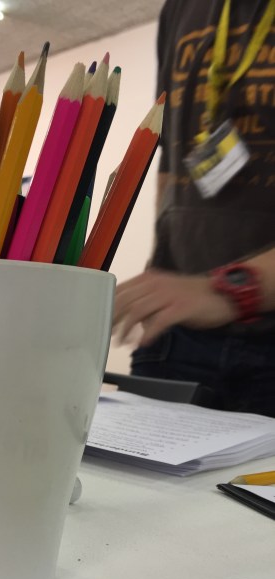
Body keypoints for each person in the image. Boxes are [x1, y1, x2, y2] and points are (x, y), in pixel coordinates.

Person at [113, 0, 275, 417]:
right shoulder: (181, 8)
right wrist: (158, 267)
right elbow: (172, 160)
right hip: (176, 333)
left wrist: (226, 289)